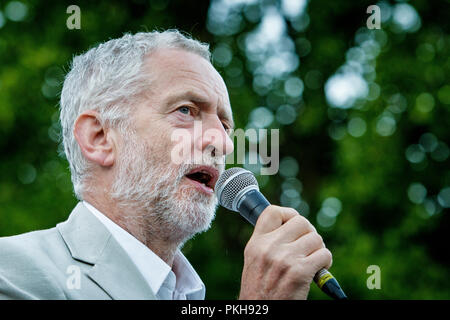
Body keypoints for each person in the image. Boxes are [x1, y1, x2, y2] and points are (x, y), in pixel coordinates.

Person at [0, 30, 332, 300]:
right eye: (186, 110)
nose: (223, 142)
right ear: (99, 137)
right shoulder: (12, 272)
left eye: (226, 126)